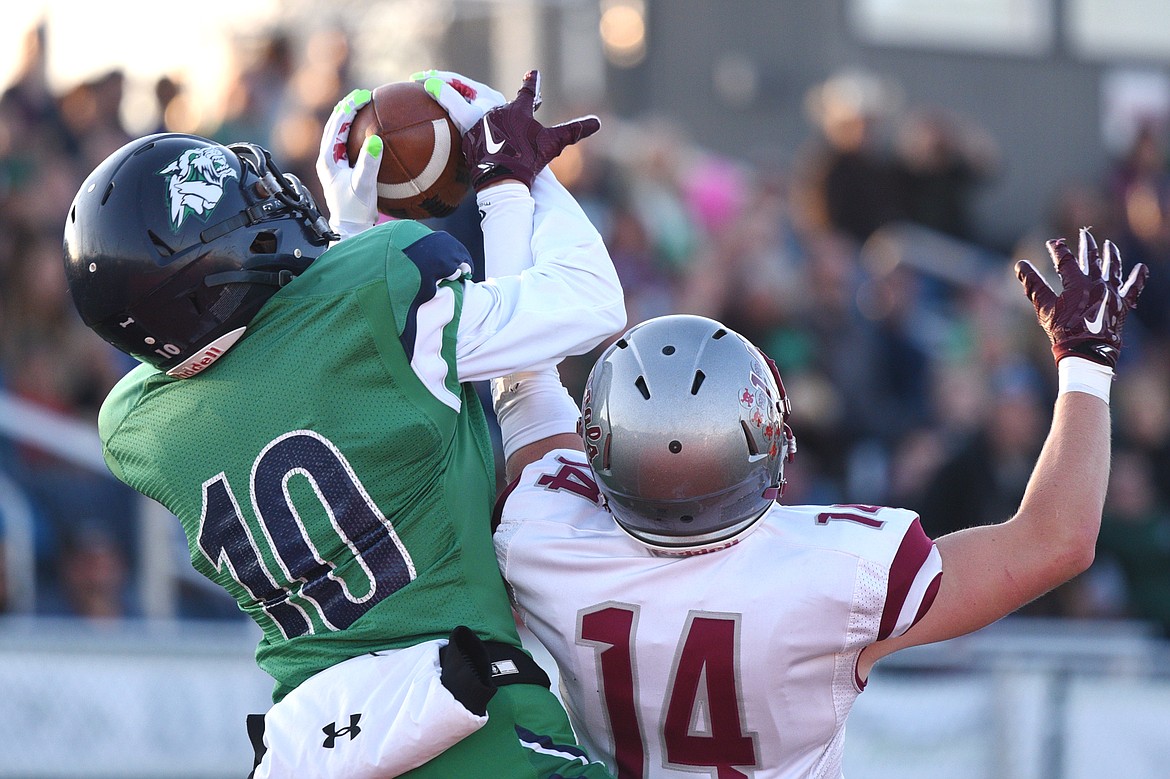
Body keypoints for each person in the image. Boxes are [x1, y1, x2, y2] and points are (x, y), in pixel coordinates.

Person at [62, 70, 621, 779]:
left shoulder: (137, 427)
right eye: (241, 201)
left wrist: (349, 231)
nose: (265, 193)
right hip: (484, 732)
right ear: (213, 270)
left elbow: (299, 367)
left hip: (315, 750)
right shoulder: (379, 284)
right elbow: (586, 303)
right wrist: (519, 174)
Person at [492, 228, 1147, 777]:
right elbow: (1057, 539)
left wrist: (507, 197)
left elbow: (522, 377)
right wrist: (1085, 361)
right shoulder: (837, 569)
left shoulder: (544, 536)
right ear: (764, 448)